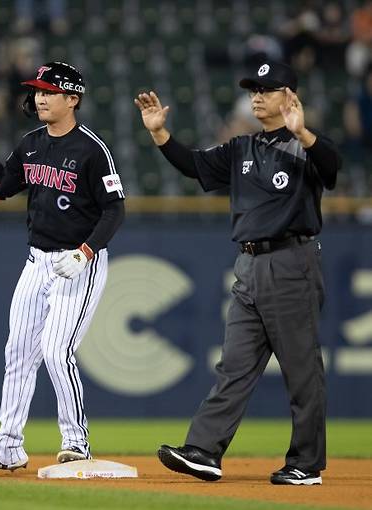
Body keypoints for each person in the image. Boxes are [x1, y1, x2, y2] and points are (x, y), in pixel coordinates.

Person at [135, 60, 341, 486]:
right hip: (248, 265)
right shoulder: (241, 147)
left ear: (290, 95)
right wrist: (159, 133)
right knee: (234, 365)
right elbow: (194, 165)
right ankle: (205, 451)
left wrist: (303, 131)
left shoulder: (304, 145)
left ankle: (306, 464)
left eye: (267, 89)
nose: (257, 96)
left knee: (301, 370)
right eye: (253, 90)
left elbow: (333, 167)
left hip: (291, 261)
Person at [0, 62, 125, 475]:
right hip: (37, 261)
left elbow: (115, 210)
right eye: (37, 91)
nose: (40, 97)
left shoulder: (91, 149)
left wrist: (85, 251)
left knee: (55, 350)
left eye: (49, 91)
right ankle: (7, 448)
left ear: (73, 98)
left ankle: (75, 442)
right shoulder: (32, 143)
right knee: (18, 352)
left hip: (77, 263)